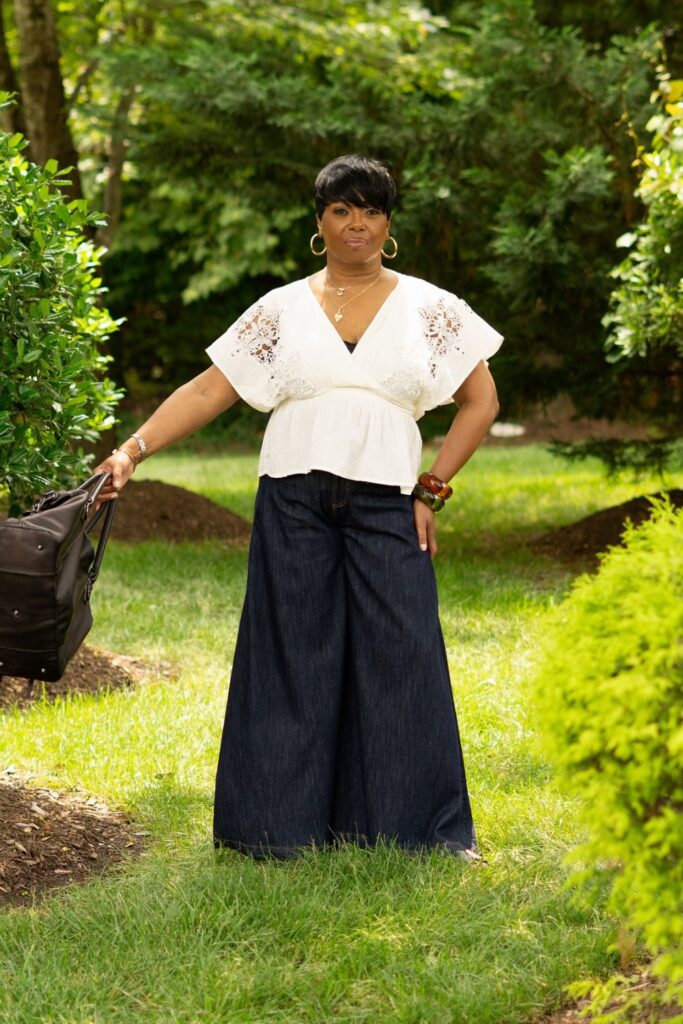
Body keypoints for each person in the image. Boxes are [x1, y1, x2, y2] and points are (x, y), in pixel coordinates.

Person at [95, 154, 503, 861]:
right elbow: (205, 392)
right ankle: (275, 833)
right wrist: (132, 449)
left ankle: (419, 836)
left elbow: (481, 401)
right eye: (341, 210)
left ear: (388, 223)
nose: (356, 224)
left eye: (370, 210)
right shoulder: (280, 309)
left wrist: (431, 487)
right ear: (319, 223)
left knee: (401, 655)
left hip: (385, 499)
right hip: (293, 497)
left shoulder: (429, 308)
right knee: (291, 655)